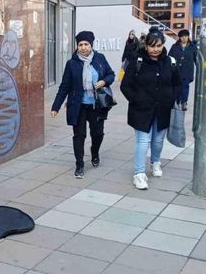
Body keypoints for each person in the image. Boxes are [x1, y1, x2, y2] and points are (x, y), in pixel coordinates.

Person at [121, 28, 181, 190]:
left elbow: (177, 84)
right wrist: (136, 100)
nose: (155, 49)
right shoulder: (137, 60)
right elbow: (125, 85)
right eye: (152, 46)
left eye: (159, 45)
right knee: (143, 141)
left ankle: (155, 162)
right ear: (146, 45)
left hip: (162, 109)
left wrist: (170, 99)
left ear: (163, 45)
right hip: (141, 110)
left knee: (158, 140)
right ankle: (139, 174)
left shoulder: (170, 62)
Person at [50, 31, 115, 179]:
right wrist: (56, 107)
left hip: (96, 105)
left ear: (91, 45)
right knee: (79, 136)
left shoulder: (99, 59)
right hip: (78, 105)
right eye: (80, 44)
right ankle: (79, 164)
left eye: (86, 44)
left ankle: (95, 153)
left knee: (97, 134)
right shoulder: (72, 63)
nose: (84, 47)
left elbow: (111, 74)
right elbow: (64, 86)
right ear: (77, 46)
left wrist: (104, 81)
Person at [168, 29, 197, 110]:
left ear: (188, 37)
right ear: (179, 37)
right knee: (177, 86)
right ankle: (177, 101)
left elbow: (197, 59)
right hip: (176, 70)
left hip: (187, 71)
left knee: (185, 86)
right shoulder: (175, 46)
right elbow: (169, 57)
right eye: (182, 36)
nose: (184, 38)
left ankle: (184, 102)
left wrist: (200, 70)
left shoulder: (192, 47)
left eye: (186, 36)